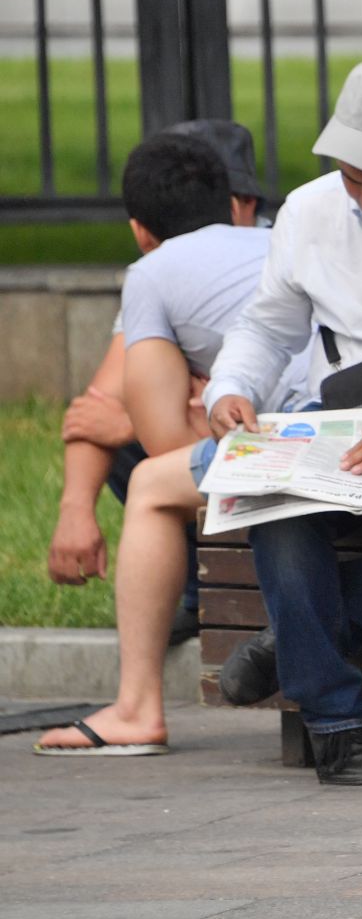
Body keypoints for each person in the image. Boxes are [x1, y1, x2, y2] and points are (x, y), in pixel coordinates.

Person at [42, 54, 362, 786]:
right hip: (338, 426)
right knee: (276, 506)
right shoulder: (315, 211)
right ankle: (337, 723)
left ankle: (298, 657)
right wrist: (231, 386)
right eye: (353, 179)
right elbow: (266, 328)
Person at [34, 130, 309, 758]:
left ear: (139, 229)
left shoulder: (151, 271)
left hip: (294, 450)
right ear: (230, 202)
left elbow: (161, 443)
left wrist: (177, 402)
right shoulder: (282, 241)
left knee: (154, 487)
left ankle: (136, 707)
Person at [46, 119, 272, 644]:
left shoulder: (282, 251)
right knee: (122, 437)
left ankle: (234, 596)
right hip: (230, 443)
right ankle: (203, 588)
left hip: (281, 437)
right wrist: (76, 512)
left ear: (244, 205)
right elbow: (95, 406)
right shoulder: (164, 272)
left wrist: (140, 419)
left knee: (140, 445)